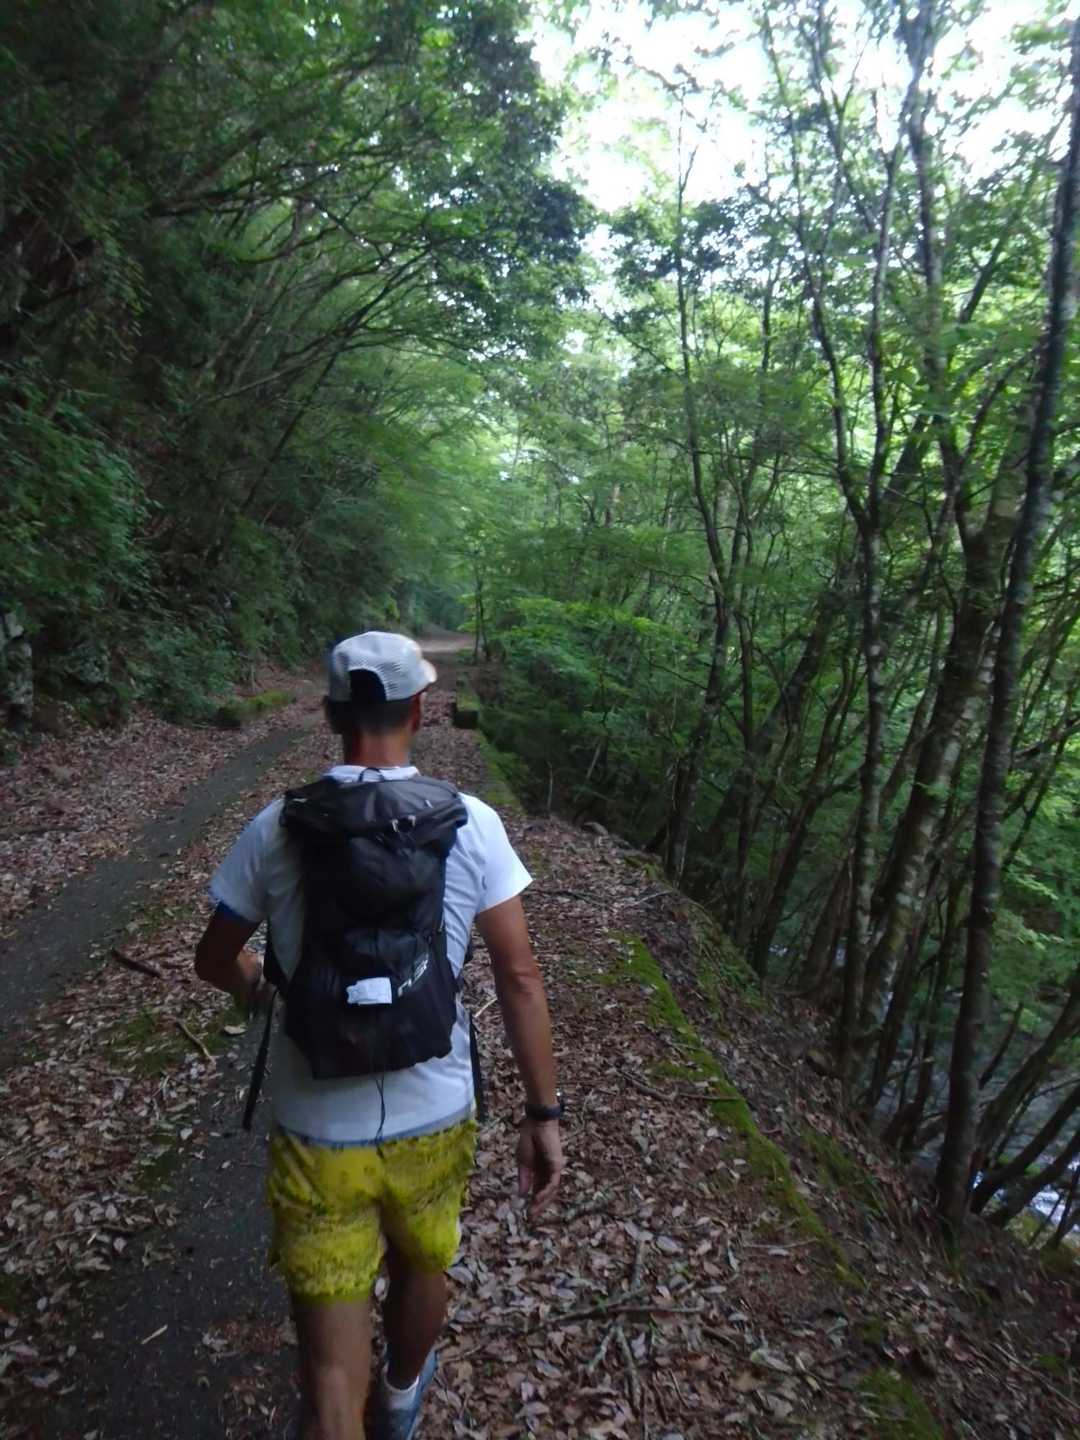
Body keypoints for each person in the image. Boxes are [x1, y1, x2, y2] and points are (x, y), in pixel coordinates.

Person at [193, 632, 564, 1440]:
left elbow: (212, 956)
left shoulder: (277, 827)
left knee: (330, 1374)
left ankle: (350, 1408)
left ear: (332, 715)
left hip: (318, 1125)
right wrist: (544, 1115)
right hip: (436, 1110)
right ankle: (399, 1396)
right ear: (420, 710)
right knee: (424, 1262)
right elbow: (520, 976)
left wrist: (255, 984)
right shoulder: (471, 823)